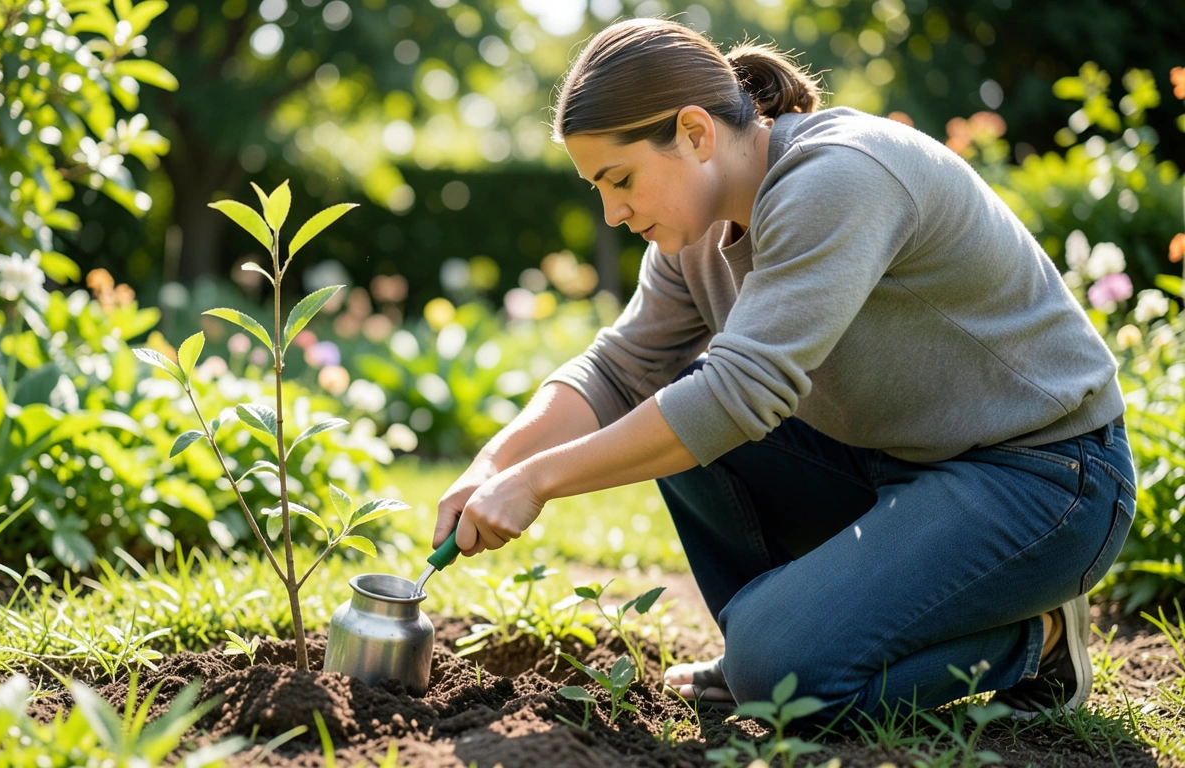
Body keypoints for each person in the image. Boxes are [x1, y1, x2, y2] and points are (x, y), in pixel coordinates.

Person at [430, 17, 1136, 726]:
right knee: (676, 418)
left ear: (695, 133)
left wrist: (538, 481)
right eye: (598, 188)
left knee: (780, 677)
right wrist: (494, 465)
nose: (613, 212)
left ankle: (1035, 641)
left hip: (1047, 479)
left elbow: (736, 395)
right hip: (899, 462)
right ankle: (773, 643)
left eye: (621, 180)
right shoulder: (692, 235)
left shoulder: (838, 175)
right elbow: (618, 369)